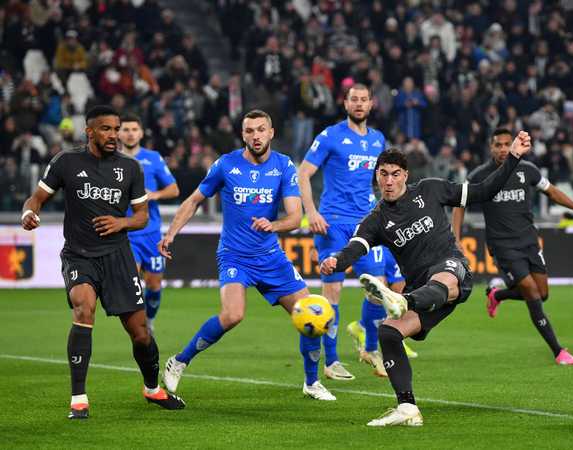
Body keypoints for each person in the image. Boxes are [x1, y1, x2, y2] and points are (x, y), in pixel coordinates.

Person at [320, 132, 532, 426]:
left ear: (405, 175)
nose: (389, 181)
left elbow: (484, 190)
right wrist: (336, 261)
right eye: (383, 174)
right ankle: (407, 408)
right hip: (423, 292)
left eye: (395, 174)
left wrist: (514, 157)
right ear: (377, 177)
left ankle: (401, 299)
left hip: (452, 272)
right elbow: (357, 246)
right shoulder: (376, 219)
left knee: (442, 276)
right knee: (389, 334)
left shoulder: (431, 190)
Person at [20, 105, 185, 419]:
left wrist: (121, 223)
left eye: (117, 128)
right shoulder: (66, 162)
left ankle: (152, 389)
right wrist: (30, 213)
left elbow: (140, 216)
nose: (114, 135)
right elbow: (37, 197)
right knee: (84, 308)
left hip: (117, 256)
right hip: (79, 255)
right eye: (107, 129)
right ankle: (78, 398)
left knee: (140, 332)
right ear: (90, 131)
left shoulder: (130, 167)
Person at [158, 110, 336, 401]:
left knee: (311, 313)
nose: (256, 136)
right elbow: (194, 201)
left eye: (261, 130)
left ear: (271, 132)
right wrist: (171, 233)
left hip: (271, 257)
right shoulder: (226, 165)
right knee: (232, 315)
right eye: (250, 130)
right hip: (234, 257)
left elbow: (294, 217)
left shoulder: (283, 166)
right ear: (243, 134)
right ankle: (179, 360)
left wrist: (273, 224)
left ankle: (312, 382)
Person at [452, 128, 573, 365]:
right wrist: (456, 237)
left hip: (529, 241)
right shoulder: (480, 174)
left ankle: (497, 294)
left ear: (513, 145)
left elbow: (552, 192)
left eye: (506, 144)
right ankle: (558, 351)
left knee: (543, 294)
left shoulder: (527, 170)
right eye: (497, 145)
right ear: (491, 148)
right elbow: (459, 203)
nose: (502, 149)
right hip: (503, 246)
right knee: (531, 291)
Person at [299, 83, 415, 380]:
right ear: (345, 103)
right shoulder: (330, 136)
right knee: (332, 291)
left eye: (364, 100)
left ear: (372, 104)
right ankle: (332, 361)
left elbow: (387, 180)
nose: (359, 104)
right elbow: (303, 173)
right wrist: (311, 212)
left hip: (366, 223)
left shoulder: (377, 140)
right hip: (333, 222)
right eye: (354, 100)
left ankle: (370, 347)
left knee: (378, 288)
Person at [118, 115, 179, 334]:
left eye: (134, 129)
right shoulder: (111, 160)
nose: (130, 133)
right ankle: (138, 327)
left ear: (141, 133)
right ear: (118, 133)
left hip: (151, 234)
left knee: (154, 285)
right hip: (126, 233)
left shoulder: (153, 158)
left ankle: (149, 321)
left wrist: (153, 195)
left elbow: (174, 189)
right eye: (126, 129)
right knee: (132, 284)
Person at [346, 246, 417, 374]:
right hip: (375, 241)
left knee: (399, 291)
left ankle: (363, 327)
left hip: (394, 242)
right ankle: (371, 348)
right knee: (377, 289)